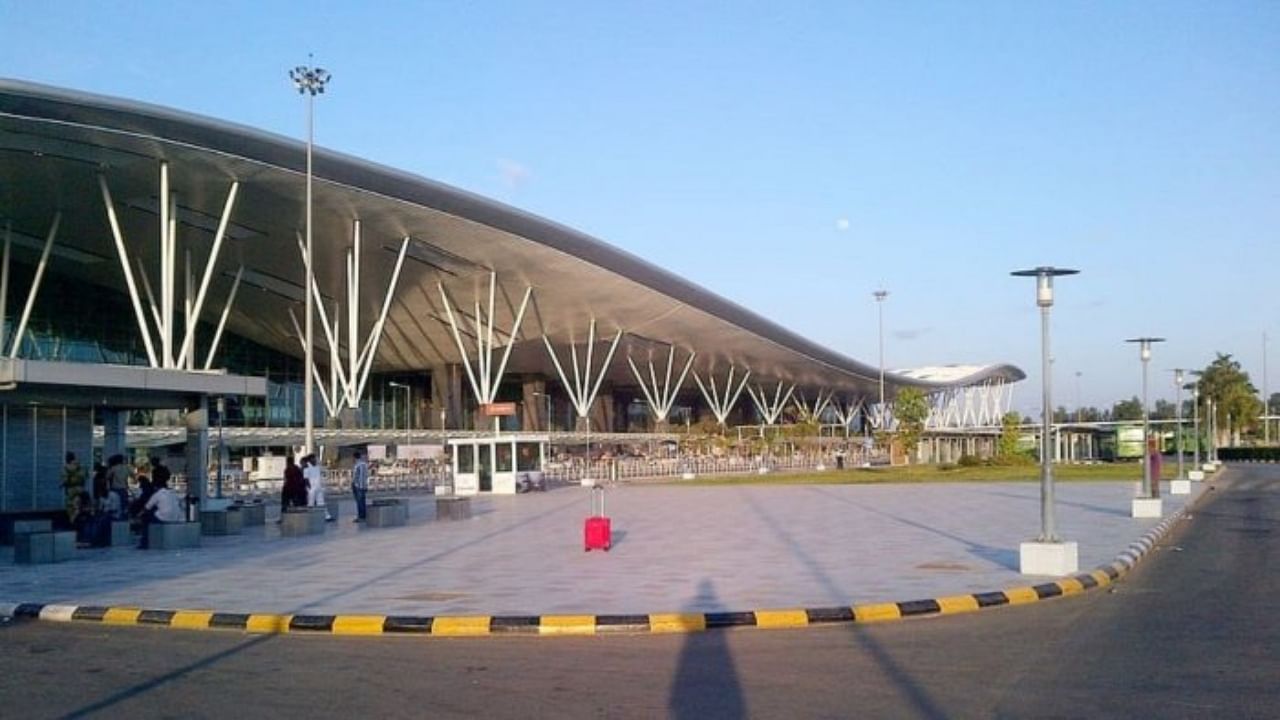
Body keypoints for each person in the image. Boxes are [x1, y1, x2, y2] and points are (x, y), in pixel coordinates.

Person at [138, 474, 182, 549]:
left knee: (145, 518)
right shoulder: (172, 493)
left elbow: (147, 508)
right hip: (176, 517)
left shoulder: (157, 494)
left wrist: (138, 515)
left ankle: (145, 542)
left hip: (164, 518)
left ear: (156, 487)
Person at [304, 453, 332, 521]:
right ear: (311, 459)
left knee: (321, 502)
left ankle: (327, 516)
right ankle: (309, 517)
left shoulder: (317, 466)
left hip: (318, 487)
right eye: (314, 458)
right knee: (311, 503)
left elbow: (325, 469)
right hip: (312, 488)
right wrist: (309, 488)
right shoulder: (307, 467)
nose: (316, 460)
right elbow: (306, 479)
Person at [61, 452, 86, 522]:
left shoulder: (66, 467)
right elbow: (84, 477)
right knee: (77, 504)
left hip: (71, 489)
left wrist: (63, 484)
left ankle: (72, 520)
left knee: (70, 506)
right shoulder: (80, 466)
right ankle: (78, 518)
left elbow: (65, 479)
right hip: (80, 488)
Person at [351, 451, 369, 523]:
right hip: (363, 485)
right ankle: (363, 516)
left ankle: (361, 517)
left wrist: (354, 483)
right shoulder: (364, 464)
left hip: (359, 486)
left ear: (355, 457)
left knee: (359, 502)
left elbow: (358, 476)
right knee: (362, 501)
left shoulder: (358, 465)